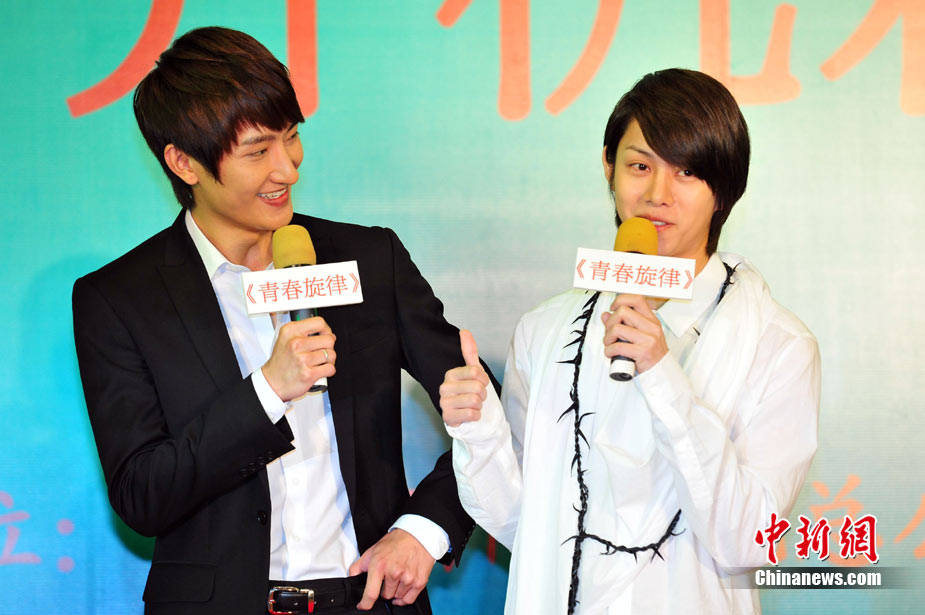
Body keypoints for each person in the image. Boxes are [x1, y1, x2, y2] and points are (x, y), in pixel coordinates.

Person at [72, 26, 483, 615]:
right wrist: (268, 389)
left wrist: (424, 530)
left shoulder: (368, 260)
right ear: (184, 163)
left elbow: (485, 404)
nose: (287, 169)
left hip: (370, 601)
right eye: (257, 151)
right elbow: (142, 493)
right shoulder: (120, 299)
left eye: (291, 138)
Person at [439, 68, 821, 614]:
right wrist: (477, 432)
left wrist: (662, 375)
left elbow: (748, 539)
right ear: (608, 167)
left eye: (686, 172)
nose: (657, 195)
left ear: (723, 189)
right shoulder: (545, 330)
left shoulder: (780, 346)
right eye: (640, 166)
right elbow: (524, 523)